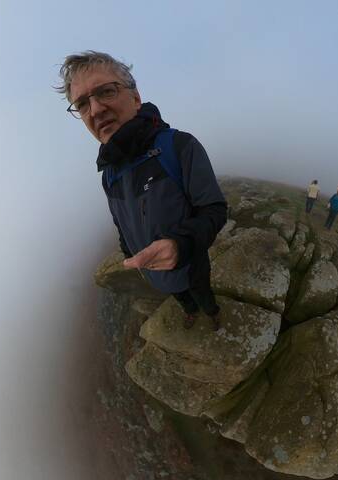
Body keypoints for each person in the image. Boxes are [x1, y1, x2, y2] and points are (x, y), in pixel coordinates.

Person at [56, 51, 227, 330]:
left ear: (136, 98)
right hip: (154, 273)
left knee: (201, 292)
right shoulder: (109, 173)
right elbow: (121, 220)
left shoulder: (179, 147)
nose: (96, 109)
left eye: (106, 91)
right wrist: (127, 251)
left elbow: (215, 210)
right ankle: (190, 311)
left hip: (192, 263)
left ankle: (212, 314)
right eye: (83, 103)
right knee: (181, 296)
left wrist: (180, 245)